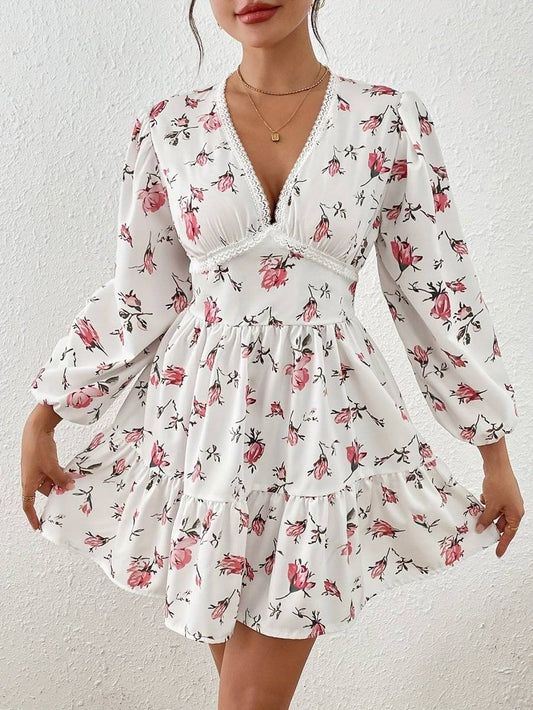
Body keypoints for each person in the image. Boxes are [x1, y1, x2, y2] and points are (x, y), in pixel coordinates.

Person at [21, 1, 525, 708]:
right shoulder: (170, 126)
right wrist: (46, 415)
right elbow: (141, 290)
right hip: (200, 432)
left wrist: (492, 448)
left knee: (249, 700)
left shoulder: (384, 120)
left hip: (321, 426)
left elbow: (435, 285)